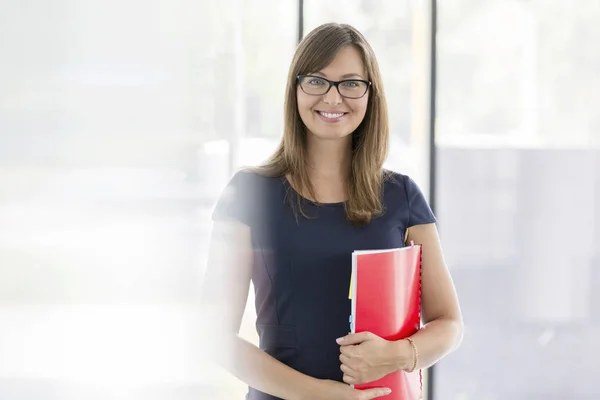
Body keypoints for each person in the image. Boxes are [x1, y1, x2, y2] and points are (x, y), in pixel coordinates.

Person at [201, 22, 464, 400]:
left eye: (351, 83)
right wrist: (316, 394)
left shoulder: (401, 195)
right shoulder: (248, 194)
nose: (333, 98)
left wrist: (398, 354)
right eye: (317, 81)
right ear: (296, 88)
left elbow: (448, 323)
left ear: (371, 94)